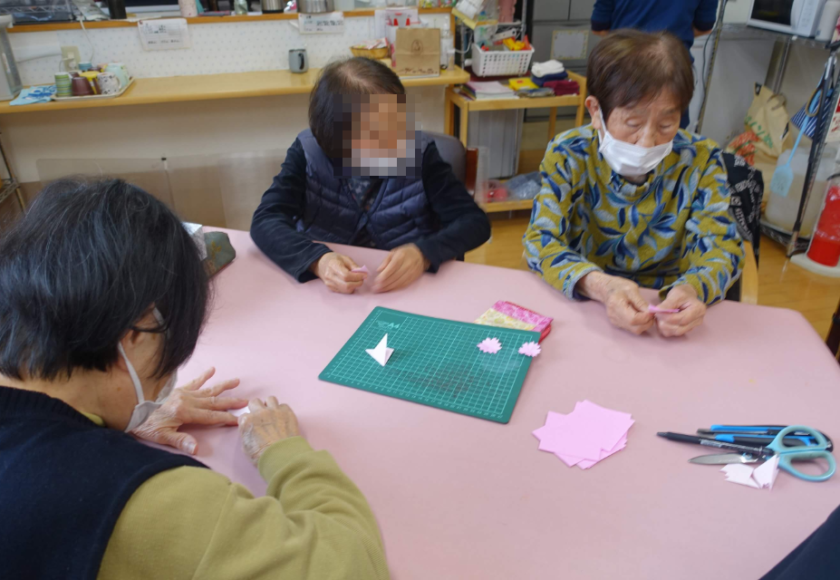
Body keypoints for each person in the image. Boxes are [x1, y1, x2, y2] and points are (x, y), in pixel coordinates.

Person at [0, 179, 389, 580]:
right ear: (134, 334)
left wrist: (112, 413)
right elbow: (352, 565)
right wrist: (287, 454)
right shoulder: (147, 501)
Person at [523, 30, 743, 338]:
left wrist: (691, 289)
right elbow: (540, 240)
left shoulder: (701, 160)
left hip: (665, 314)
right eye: (633, 124)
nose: (647, 141)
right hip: (587, 305)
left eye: (667, 124)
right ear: (595, 111)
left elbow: (723, 247)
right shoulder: (569, 152)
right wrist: (601, 285)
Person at [251, 57, 491, 295]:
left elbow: (474, 222)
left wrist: (424, 253)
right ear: (338, 144)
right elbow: (266, 220)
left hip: (405, 291)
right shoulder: (308, 153)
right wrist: (317, 260)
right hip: (329, 294)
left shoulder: (419, 154)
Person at [591, 0, 719, 129]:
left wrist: (634, 43)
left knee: (616, 130)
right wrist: (665, 42)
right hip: (672, 71)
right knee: (668, 132)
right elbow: (703, 26)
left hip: (623, 70)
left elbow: (599, 27)